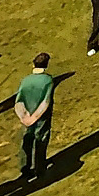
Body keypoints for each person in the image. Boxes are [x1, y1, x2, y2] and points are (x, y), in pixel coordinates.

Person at [14, 54, 59, 184]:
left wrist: (24, 117)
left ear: (33, 64)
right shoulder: (48, 80)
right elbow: (46, 101)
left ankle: (25, 168)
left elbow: (19, 100)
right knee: (41, 140)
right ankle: (40, 168)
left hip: (26, 116)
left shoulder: (25, 80)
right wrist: (35, 117)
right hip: (41, 117)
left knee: (26, 141)